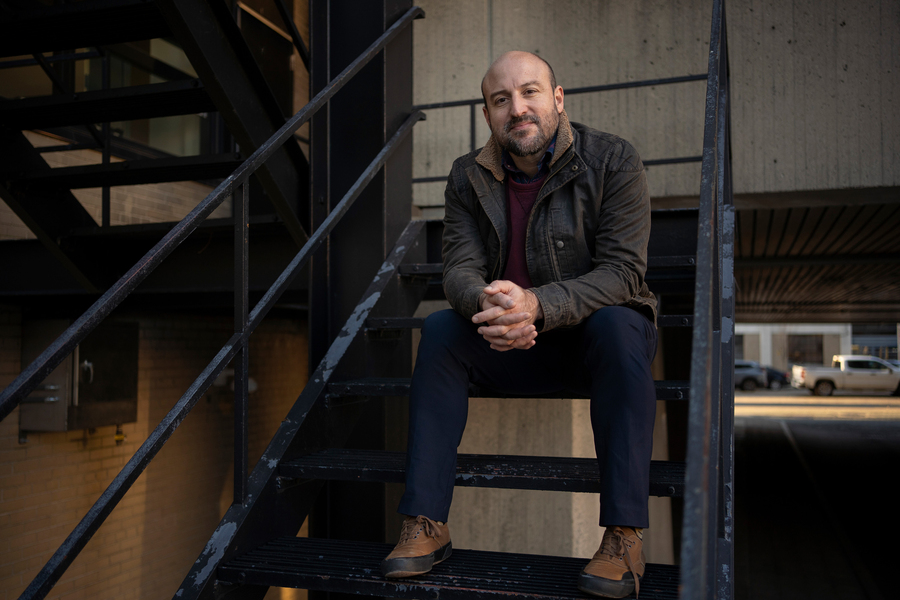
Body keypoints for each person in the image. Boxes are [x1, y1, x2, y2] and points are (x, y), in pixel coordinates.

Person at [380, 50, 658, 599]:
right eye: (501, 98)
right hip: (509, 343)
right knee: (439, 329)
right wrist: (493, 303)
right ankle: (426, 522)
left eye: (530, 92)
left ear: (558, 99)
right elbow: (458, 266)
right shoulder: (467, 175)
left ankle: (624, 533)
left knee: (620, 325)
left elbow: (624, 272)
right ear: (488, 114)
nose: (517, 108)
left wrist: (538, 304)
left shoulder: (613, 159)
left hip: (591, 347)